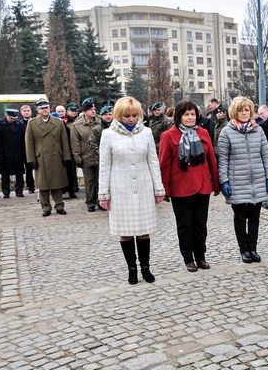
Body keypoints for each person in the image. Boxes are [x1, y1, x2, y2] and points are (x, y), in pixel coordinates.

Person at [98, 97, 166, 284]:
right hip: (120, 188)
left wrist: (158, 188)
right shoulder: (108, 135)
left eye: (134, 115)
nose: (131, 119)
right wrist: (103, 193)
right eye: (127, 116)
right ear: (119, 115)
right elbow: (104, 166)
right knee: (125, 231)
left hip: (143, 186)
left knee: (144, 230)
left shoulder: (146, 133)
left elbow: (153, 161)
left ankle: (146, 267)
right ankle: (132, 268)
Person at [159, 100, 220, 272]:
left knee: (201, 224)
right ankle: (188, 258)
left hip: (202, 186)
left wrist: (216, 183)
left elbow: (211, 160)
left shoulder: (203, 133)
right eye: (186, 114)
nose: (190, 117)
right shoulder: (168, 136)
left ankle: (200, 256)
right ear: (179, 116)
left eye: (193, 114)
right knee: (185, 225)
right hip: (180, 189)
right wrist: (164, 189)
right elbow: (164, 164)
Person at [216, 97, 268, 264]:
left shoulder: (259, 131)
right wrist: (224, 180)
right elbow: (223, 160)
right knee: (241, 217)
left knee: (255, 217)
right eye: (241, 110)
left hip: (257, 179)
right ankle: (244, 250)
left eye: (247, 110)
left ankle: (253, 248)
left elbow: (265, 156)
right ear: (235, 112)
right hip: (237, 180)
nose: (244, 113)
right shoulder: (227, 132)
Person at [25, 99, 72, 216]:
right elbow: (29, 143)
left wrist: (66, 157)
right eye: (42, 108)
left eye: (46, 108)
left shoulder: (58, 122)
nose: (44, 110)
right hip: (41, 158)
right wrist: (31, 160)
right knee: (43, 185)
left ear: (49, 108)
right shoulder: (32, 123)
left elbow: (64, 141)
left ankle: (59, 206)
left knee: (57, 183)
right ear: (38, 110)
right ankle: (46, 207)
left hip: (56, 157)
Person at [71, 98, 102, 211]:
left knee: (101, 180)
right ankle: (90, 203)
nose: (93, 111)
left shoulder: (100, 121)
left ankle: (101, 201)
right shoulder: (77, 125)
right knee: (89, 182)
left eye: (94, 109)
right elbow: (75, 143)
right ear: (84, 111)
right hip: (87, 156)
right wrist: (77, 157)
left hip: (100, 155)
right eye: (90, 109)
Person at [0, 109, 27, 198]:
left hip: (18, 153)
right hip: (5, 154)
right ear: (7, 115)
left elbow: (23, 140)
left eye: (14, 118)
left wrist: (24, 153)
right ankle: (6, 192)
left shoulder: (20, 125)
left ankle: (19, 191)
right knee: (5, 175)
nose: (13, 119)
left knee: (19, 174)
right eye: (11, 118)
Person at [62, 103, 80, 198]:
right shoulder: (64, 121)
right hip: (67, 148)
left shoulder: (79, 121)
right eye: (71, 111)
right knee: (68, 170)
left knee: (73, 170)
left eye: (75, 111)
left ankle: (74, 187)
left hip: (75, 147)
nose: (73, 112)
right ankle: (68, 188)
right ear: (67, 111)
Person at [19, 105, 35, 193]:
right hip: (25, 150)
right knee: (28, 170)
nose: (26, 112)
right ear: (21, 113)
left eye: (28, 110)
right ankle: (31, 187)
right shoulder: (20, 124)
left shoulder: (35, 121)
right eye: (24, 111)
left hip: (37, 148)